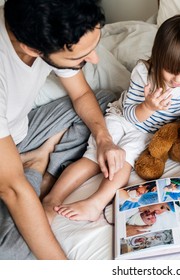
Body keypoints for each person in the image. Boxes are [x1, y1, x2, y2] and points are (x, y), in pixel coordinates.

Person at [43, 14, 180, 223]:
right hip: (122, 117)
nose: (178, 80)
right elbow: (130, 113)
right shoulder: (144, 72)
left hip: (149, 133)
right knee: (93, 156)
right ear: (158, 58)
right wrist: (148, 106)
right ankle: (51, 198)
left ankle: (95, 203)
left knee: (124, 161)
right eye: (171, 71)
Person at [0, 0, 126, 260]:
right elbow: (12, 189)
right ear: (33, 49)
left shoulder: (46, 22)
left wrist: (103, 140)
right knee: (11, 255)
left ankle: (38, 160)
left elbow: (81, 95)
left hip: (20, 133)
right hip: (7, 165)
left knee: (106, 104)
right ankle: (37, 169)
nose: (94, 59)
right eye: (80, 57)